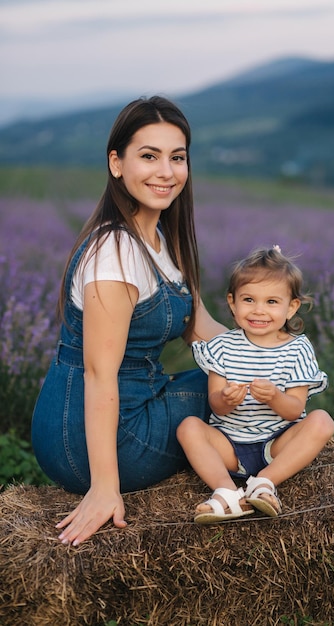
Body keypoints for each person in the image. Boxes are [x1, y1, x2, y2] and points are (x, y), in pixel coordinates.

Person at [31, 96, 227, 546]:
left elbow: (201, 326)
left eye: (177, 157)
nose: (166, 171)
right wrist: (104, 487)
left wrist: (270, 349)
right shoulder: (114, 255)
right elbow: (100, 376)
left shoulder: (158, 236)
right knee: (231, 391)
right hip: (94, 438)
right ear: (116, 163)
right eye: (149, 156)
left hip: (109, 412)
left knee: (236, 369)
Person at [176, 246, 334, 524]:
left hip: (275, 444)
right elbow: (216, 404)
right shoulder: (223, 347)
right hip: (229, 445)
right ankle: (226, 492)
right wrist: (225, 399)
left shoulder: (297, 349)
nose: (259, 310)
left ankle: (263, 483)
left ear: (291, 307)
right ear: (233, 303)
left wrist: (274, 397)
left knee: (322, 421)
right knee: (188, 427)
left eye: (272, 302)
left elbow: (294, 409)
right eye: (249, 299)